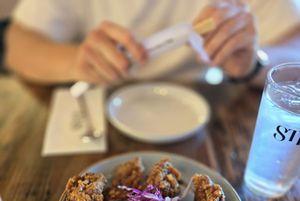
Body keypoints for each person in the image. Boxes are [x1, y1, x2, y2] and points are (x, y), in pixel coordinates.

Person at [4, 0, 300, 86]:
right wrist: (76, 61)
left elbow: (294, 52)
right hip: (100, 102)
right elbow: (17, 44)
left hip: (207, 119)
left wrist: (253, 62)